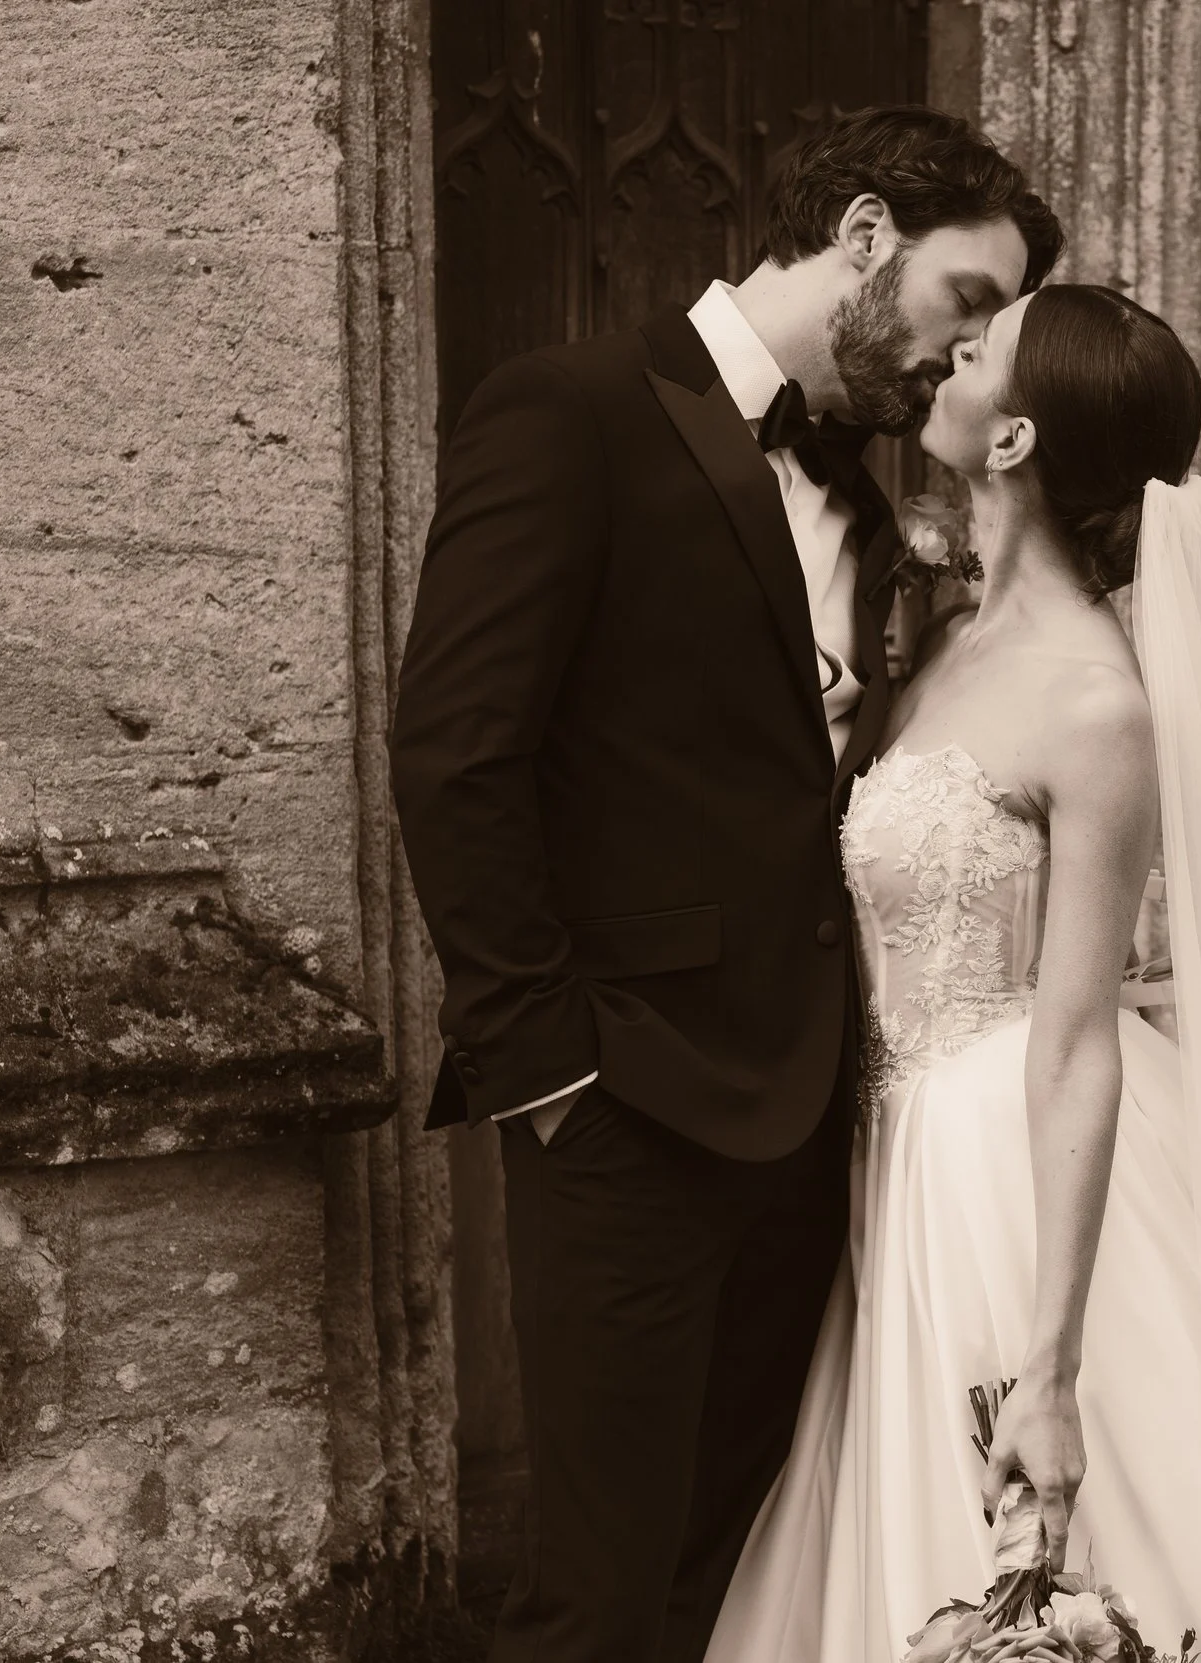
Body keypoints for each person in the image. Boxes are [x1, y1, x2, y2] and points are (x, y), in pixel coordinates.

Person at [703, 285, 1201, 1661]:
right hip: (898, 1157)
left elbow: (1079, 1034)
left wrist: (1054, 1367)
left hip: (1016, 1182)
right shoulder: (947, 636)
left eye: (976, 353)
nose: (947, 359)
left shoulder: (1097, 703)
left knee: (1087, 1558)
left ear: (1015, 438)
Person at [389, 107, 1061, 1663]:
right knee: (604, 1602)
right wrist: (546, 1066)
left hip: (819, 1127)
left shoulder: (872, 506)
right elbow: (454, 751)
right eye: (971, 302)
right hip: (622, 1103)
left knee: (740, 1577)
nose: (969, 358)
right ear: (870, 235)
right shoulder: (569, 411)